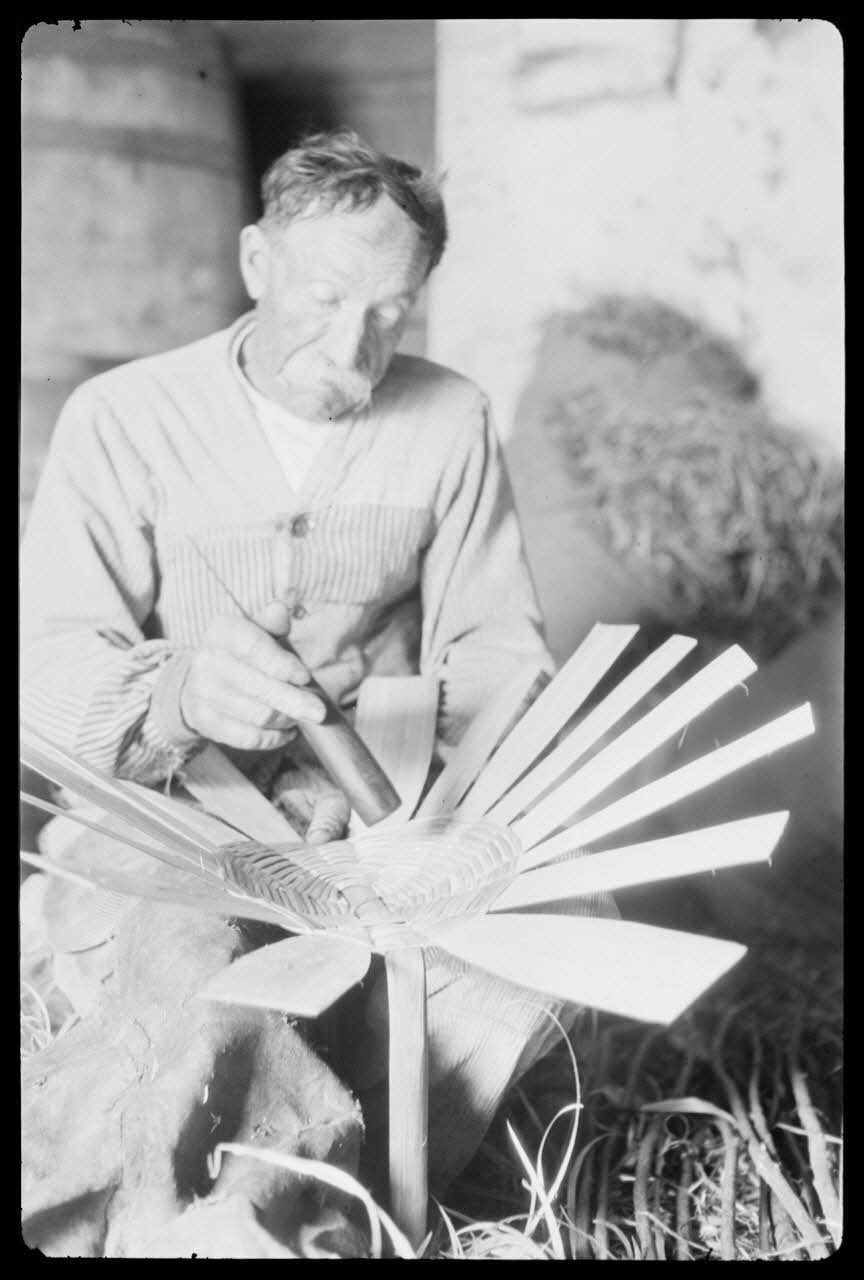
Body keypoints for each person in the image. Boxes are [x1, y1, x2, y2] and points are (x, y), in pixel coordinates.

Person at [20, 130, 613, 1226]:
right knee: (195, 958)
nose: (353, 345)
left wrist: (426, 799)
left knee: (556, 930)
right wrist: (178, 694)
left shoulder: (451, 419)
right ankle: (218, 1218)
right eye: (326, 297)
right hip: (175, 808)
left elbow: (499, 653)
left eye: (391, 312)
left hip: (385, 814)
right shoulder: (125, 417)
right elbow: (44, 662)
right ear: (257, 262)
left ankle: (368, 1196)